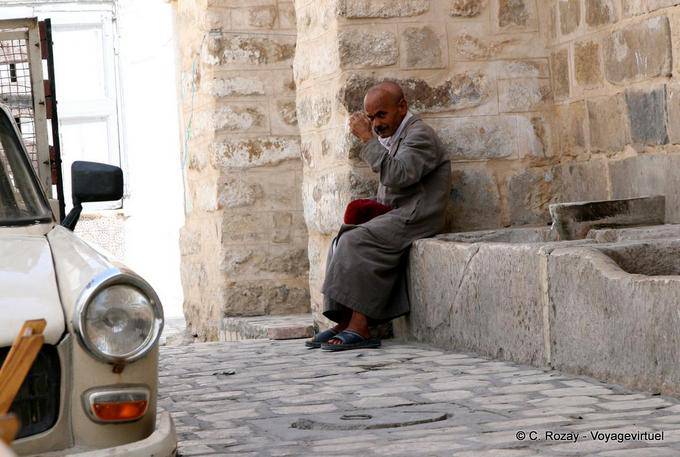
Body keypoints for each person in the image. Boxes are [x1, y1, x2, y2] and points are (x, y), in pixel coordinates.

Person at [305, 81, 451, 351]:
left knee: (355, 242)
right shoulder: (397, 134)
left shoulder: (420, 135)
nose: (375, 124)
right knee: (342, 238)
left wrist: (368, 141)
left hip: (417, 216)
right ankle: (345, 319)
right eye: (371, 118)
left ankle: (361, 327)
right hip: (398, 213)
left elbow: (399, 175)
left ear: (402, 107)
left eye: (381, 115)